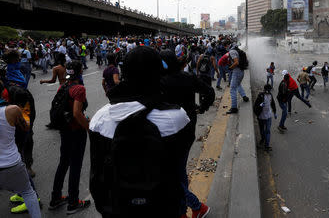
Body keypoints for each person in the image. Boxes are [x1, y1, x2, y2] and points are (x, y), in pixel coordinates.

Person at [89, 46, 190, 218]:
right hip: (163, 207)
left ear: (124, 73)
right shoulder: (177, 118)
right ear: (158, 74)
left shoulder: (99, 119)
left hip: (117, 209)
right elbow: (178, 169)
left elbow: (96, 176)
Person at [160, 50, 213, 218]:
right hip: (188, 130)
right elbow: (209, 92)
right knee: (178, 171)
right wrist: (202, 107)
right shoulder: (188, 77)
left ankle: (196, 206)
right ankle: (185, 211)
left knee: (169, 174)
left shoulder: (160, 82)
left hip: (169, 134)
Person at [49, 61, 91, 215]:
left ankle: (56, 198)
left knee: (63, 163)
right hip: (75, 131)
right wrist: (88, 128)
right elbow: (76, 113)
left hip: (64, 130)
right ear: (80, 72)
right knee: (75, 165)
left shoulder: (63, 86)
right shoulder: (79, 89)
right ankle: (73, 202)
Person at [0, 85, 41, 218]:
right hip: (11, 162)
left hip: (11, 162)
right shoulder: (12, 110)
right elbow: (25, 127)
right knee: (29, 192)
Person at [226, 44, 249, 114]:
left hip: (237, 71)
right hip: (241, 71)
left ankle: (234, 108)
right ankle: (244, 96)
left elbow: (236, 62)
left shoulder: (232, 51)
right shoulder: (238, 51)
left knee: (232, 89)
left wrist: (230, 68)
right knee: (238, 84)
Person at [254, 84, 276, 151]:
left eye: (269, 90)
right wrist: (260, 105)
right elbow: (255, 106)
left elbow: (273, 104)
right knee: (262, 130)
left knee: (268, 131)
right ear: (265, 90)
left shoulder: (270, 95)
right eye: (267, 90)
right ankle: (263, 138)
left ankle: (267, 145)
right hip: (261, 117)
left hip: (269, 116)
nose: (268, 91)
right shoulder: (260, 96)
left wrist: (274, 112)